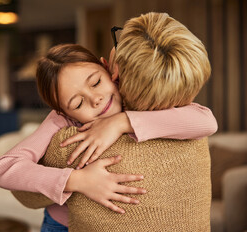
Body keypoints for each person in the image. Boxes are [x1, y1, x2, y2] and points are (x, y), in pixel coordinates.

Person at [11, 12, 215, 231]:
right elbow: (207, 121)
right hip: (58, 219)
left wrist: (122, 122)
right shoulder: (180, 122)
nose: (95, 98)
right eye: (77, 104)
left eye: (97, 81)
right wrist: (78, 180)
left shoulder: (71, 142)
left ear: (114, 72)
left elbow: (25, 196)